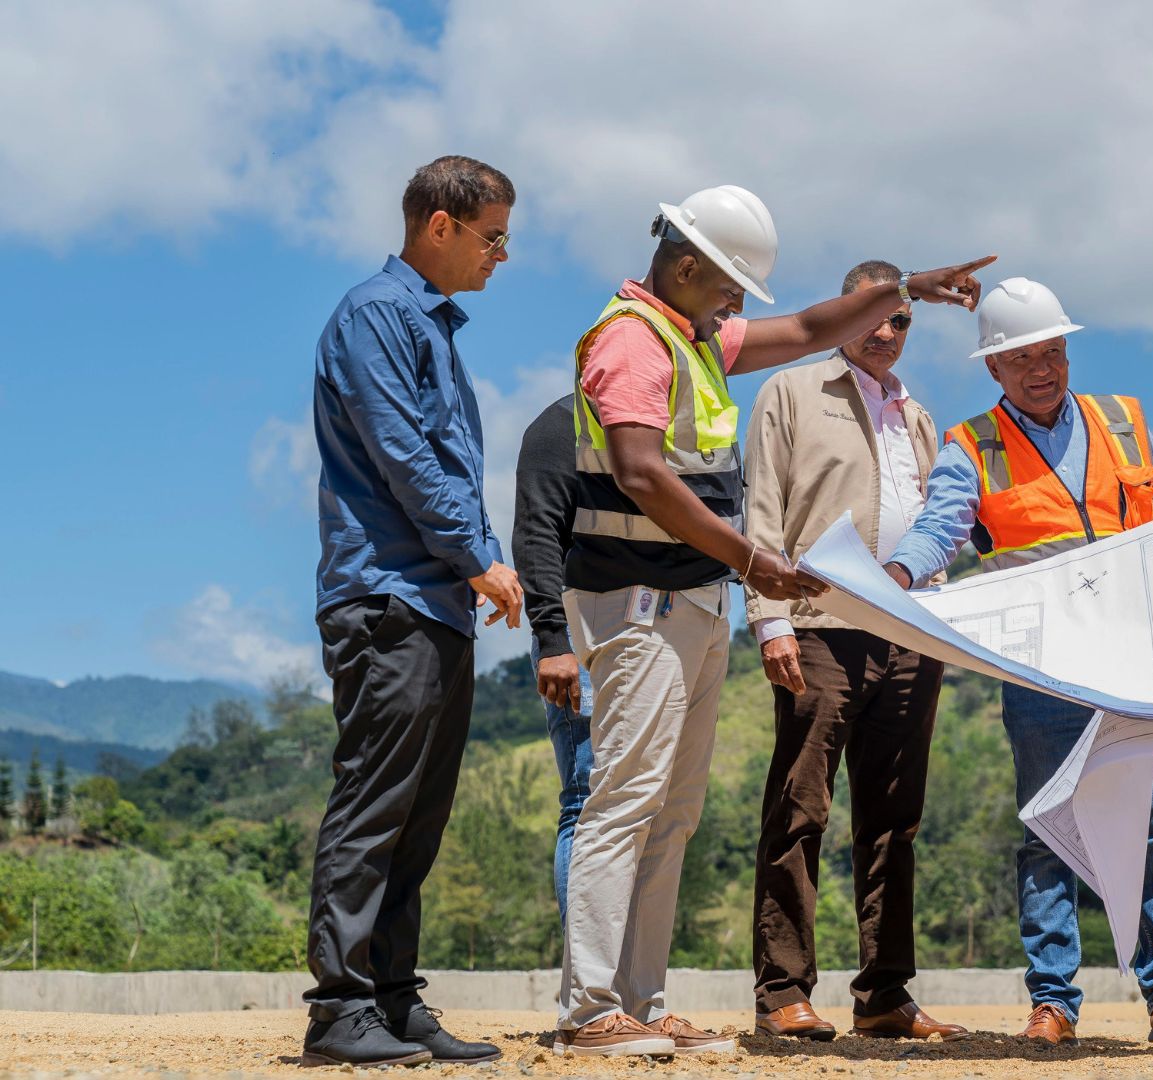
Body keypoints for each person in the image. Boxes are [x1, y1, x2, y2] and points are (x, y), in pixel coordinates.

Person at [555, 184, 992, 1058]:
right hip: (641, 601)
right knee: (628, 803)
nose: (736, 307)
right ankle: (592, 1004)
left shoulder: (692, 338)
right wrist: (752, 564)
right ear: (688, 269)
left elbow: (802, 326)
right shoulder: (635, 342)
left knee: (670, 811)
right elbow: (642, 473)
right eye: (729, 289)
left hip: (691, 602)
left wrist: (902, 283)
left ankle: (639, 1000)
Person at [883, 277, 1153, 1048]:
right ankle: (1054, 1001)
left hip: (1138, 661)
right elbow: (941, 528)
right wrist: (896, 578)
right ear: (993, 368)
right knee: (1046, 828)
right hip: (1044, 672)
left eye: (1053, 351)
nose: (1043, 368)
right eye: (1023, 357)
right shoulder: (971, 446)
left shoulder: (1123, 422)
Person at [303, 155, 523, 1067]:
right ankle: (339, 1008)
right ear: (441, 225)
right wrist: (480, 559)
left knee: (418, 817)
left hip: (434, 605)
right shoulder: (378, 315)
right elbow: (404, 455)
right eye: (493, 237)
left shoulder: (429, 327)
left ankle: (393, 1000)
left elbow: (441, 463)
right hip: (389, 598)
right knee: (374, 805)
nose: (501, 256)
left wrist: (478, 564)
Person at [741, 259, 965, 1042]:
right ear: (843, 311)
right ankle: (782, 993)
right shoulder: (790, 393)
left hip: (910, 634)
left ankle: (883, 996)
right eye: (872, 315)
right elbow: (762, 508)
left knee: (895, 820)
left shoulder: (921, 416)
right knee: (801, 809)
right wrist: (770, 621)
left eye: (902, 320)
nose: (885, 332)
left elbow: (941, 523)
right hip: (818, 627)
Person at [512, 394, 593, 920]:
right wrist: (553, 641)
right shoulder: (558, 426)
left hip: (649, 629)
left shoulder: (663, 425)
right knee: (584, 800)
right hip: (577, 635)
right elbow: (536, 533)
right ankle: (583, 974)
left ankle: (623, 979)